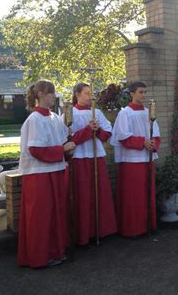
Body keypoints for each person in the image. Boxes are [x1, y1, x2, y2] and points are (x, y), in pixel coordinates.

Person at [17, 80, 76, 268]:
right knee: (40, 217)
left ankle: (55, 250)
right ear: (41, 94)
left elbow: (61, 142)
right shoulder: (34, 119)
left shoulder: (55, 117)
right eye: (51, 93)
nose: (54, 96)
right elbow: (36, 150)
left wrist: (68, 151)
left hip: (55, 170)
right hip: (38, 175)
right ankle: (39, 256)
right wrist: (63, 150)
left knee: (55, 214)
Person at [68, 83, 117, 245]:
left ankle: (102, 230)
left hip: (97, 157)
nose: (90, 96)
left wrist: (97, 130)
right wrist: (89, 130)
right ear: (77, 94)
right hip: (80, 159)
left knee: (100, 193)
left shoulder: (97, 112)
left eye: (91, 93)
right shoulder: (70, 113)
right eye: (87, 93)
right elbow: (69, 139)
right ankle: (84, 235)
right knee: (83, 196)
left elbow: (107, 133)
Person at [111, 82, 161, 237]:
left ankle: (148, 225)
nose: (143, 95)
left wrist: (153, 144)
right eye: (140, 92)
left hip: (147, 158)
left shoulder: (149, 112)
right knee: (133, 196)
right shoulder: (125, 113)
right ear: (132, 94)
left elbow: (157, 135)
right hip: (131, 161)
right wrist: (142, 142)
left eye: (145, 92)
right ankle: (132, 229)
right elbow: (122, 137)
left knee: (147, 193)